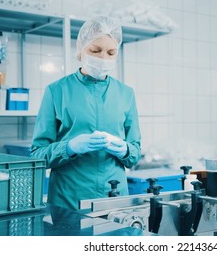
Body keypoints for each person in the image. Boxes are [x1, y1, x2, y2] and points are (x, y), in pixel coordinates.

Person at [30, 15, 141, 210]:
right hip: (69, 199)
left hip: (113, 197)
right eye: (95, 50)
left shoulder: (126, 94)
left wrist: (125, 149)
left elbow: (135, 154)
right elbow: (38, 155)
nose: (103, 58)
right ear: (81, 51)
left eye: (111, 52)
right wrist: (69, 147)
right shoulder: (57, 91)